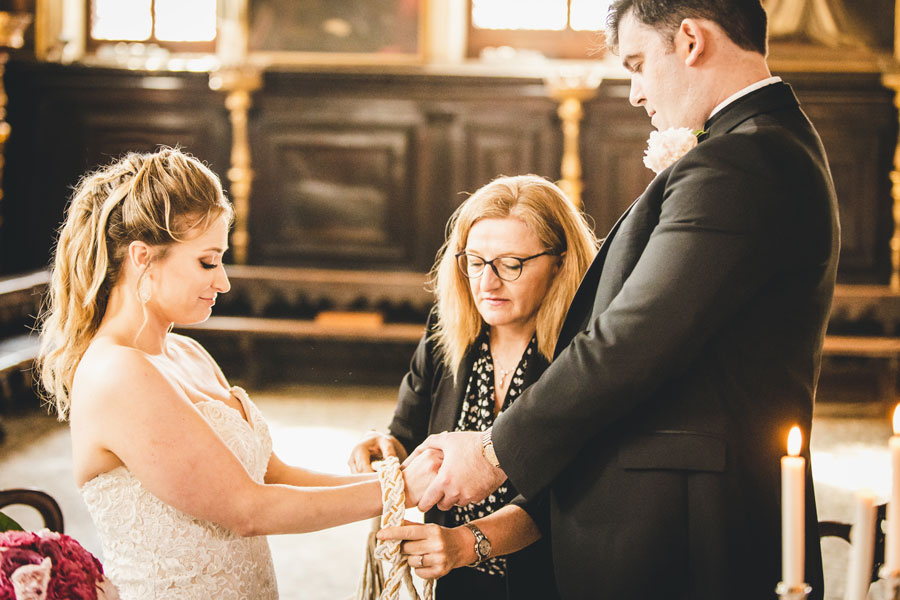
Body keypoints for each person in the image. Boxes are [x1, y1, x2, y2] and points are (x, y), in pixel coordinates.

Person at [405, 2, 839, 599]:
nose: (635, 93)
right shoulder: (754, 145)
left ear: (690, 40)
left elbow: (632, 339)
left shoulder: (743, 160)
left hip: (688, 517)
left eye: (637, 64)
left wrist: (492, 449)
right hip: (678, 501)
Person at [36, 147, 439, 600]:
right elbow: (247, 509)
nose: (223, 281)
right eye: (207, 262)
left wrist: (394, 478)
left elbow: (272, 475)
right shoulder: (116, 372)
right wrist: (401, 489)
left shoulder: (186, 353)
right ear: (142, 258)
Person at [347, 174, 597, 598]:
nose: (486, 283)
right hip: (455, 577)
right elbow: (408, 433)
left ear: (560, 261)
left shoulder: (587, 354)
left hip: (550, 579)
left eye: (511, 264)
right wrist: (385, 446)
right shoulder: (446, 333)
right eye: (476, 261)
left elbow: (571, 493)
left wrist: (469, 542)